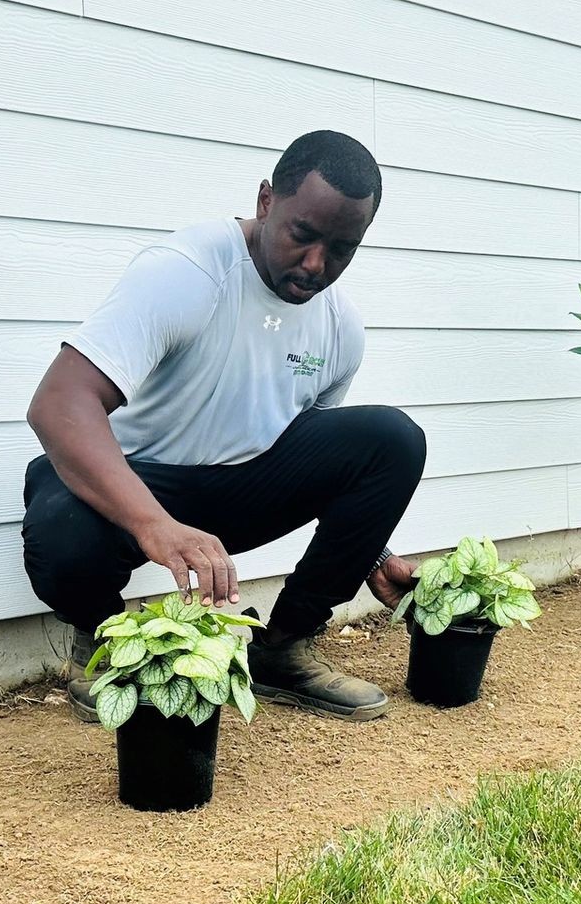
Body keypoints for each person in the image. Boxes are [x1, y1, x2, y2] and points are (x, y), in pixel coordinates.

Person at [21, 130, 427, 723]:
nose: (316, 265)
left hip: (238, 487)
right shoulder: (187, 272)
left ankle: (283, 648)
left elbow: (313, 452)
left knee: (391, 440)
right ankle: (101, 641)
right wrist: (155, 525)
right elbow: (58, 405)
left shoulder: (340, 327)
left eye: (342, 249)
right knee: (62, 528)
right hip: (131, 487)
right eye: (303, 235)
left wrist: (373, 553)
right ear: (266, 202)